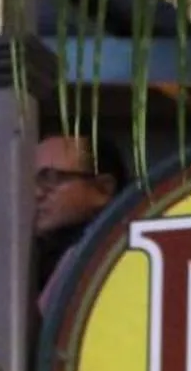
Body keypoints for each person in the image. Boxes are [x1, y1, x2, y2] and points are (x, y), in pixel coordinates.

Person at [34, 131, 126, 307]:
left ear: (103, 189)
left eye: (51, 178)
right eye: (29, 181)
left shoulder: (107, 257)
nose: (37, 193)